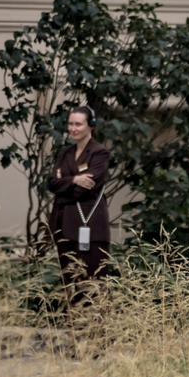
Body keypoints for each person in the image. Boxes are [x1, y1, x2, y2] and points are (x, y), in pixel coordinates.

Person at [47, 104, 110, 294]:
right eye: (70, 124)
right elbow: (51, 184)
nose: (73, 128)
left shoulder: (99, 153)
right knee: (69, 282)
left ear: (91, 125)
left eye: (78, 124)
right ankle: (72, 322)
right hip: (63, 224)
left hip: (89, 224)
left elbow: (87, 189)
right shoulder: (65, 153)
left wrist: (63, 184)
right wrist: (74, 179)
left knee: (91, 283)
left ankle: (94, 324)